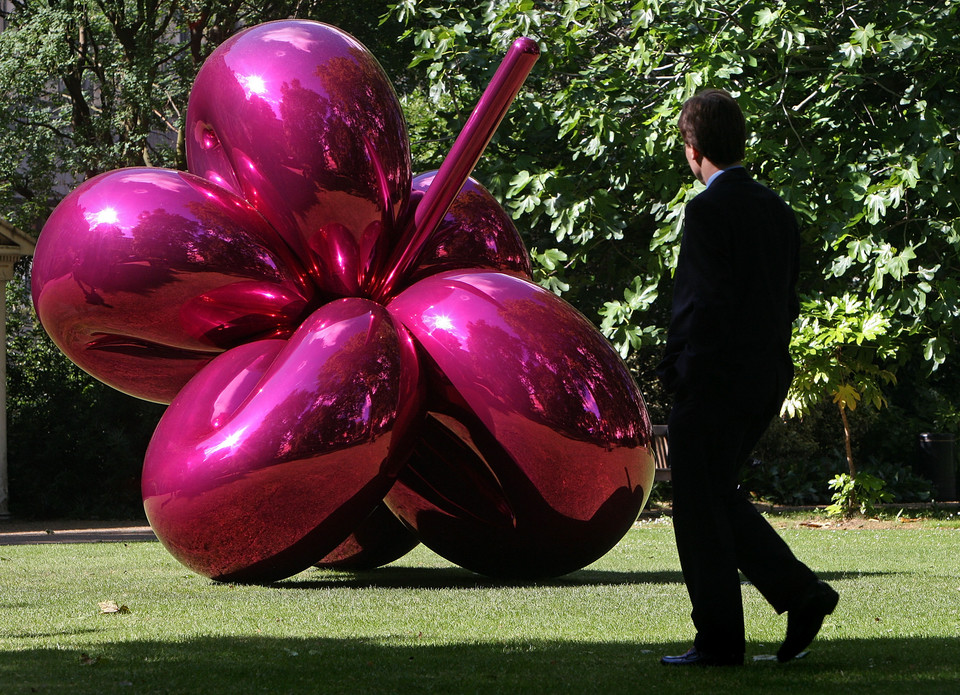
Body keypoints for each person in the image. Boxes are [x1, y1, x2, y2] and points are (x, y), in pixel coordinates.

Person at [656, 88, 838, 666]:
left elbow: (699, 302)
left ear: (693, 147)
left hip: (713, 379)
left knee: (697, 506)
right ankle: (797, 594)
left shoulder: (707, 211)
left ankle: (720, 640)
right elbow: (786, 302)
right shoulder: (777, 211)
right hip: (763, 377)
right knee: (715, 496)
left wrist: (678, 365)